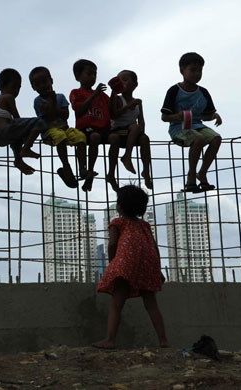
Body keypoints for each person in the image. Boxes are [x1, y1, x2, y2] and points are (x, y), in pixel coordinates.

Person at [93, 185, 169, 349]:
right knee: (151, 302)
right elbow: (155, 248)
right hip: (148, 263)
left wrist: (114, 264)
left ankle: (110, 340)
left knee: (117, 303)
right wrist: (157, 268)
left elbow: (112, 244)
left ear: (119, 206)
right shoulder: (145, 226)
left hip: (126, 264)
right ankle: (163, 340)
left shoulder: (117, 223)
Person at [161, 52, 222, 193]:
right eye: (192, 70)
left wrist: (214, 116)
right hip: (178, 128)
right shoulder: (174, 90)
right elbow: (164, 117)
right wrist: (177, 116)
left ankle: (202, 172)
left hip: (197, 125)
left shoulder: (203, 92)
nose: (196, 74)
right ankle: (191, 177)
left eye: (199, 71)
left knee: (216, 138)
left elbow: (205, 116)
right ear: (182, 70)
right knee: (199, 139)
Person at [29, 66, 87, 188]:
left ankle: (82, 167)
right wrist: (53, 104)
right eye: (37, 84)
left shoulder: (60, 97)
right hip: (48, 132)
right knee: (59, 135)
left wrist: (53, 104)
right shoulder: (38, 101)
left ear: (51, 81)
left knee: (80, 136)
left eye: (44, 82)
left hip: (65, 129)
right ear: (33, 87)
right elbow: (49, 117)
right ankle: (66, 166)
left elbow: (65, 115)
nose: (42, 86)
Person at [69, 59, 117, 192]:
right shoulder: (76, 93)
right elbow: (79, 110)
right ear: (78, 77)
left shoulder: (102, 95)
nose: (93, 77)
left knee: (115, 138)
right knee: (94, 137)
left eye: (94, 74)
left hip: (103, 129)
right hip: (86, 129)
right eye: (89, 74)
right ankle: (89, 171)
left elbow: (111, 110)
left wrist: (113, 92)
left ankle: (111, 173)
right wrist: (94, 94)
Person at [0, 68, 46, 175]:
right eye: (13, 87)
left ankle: (18, 160)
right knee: (39, 122)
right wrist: (26, 133)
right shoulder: (8, 97)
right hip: (4, 132)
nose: (16, 91)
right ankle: (26, 149)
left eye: (18, 88)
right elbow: (17, 118)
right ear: (2, 86)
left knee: (16, 138)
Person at [108, 70, 153, 190]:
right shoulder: (118, 99)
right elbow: (113, 115)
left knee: (145, 139)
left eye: (125, 79)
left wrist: (141, 132)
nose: (122, 82)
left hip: (132, 133)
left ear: (134, 84)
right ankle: (127, 156)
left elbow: (141, 120)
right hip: (118, 130)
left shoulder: (138, 102)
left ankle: (146, 172)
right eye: (119, 80)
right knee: (135, 127)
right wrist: (128, 107)